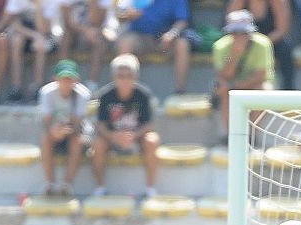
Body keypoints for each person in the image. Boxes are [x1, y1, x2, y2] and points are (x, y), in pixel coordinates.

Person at [92, 54, 160, 198]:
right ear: (114, 77)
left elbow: (149, 124)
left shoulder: (143, 94)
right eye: (120, 76)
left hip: (137, 137)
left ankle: (150, 188)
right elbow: (100, 125)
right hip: (112, 137)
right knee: (97, 144)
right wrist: (113, 136)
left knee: (152, 140)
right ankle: (100, 187)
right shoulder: (105, 95)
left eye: (129, 76)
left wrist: (134, 136)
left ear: (135, 77)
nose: (124, 80)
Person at [211, 10, 276, 134]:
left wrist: (235, 86)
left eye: (243, 32)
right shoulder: (220, 46)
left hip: (251, 85)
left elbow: (260, 76)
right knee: (223, 89)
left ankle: (252, 134)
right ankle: (230, 134)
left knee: (263, 89)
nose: (239, 36)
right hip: (230, 85)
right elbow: (224, 75)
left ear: (251, 32)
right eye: (235, 32)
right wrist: (235, 54)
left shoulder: (263, 44)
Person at [116, 0, 196, 95]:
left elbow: (182, 21)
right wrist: (128, 16)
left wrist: (172, 33)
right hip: (140, 36)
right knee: (125, 43)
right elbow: (119, 16)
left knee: (182, 44)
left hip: (165, 39)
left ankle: (180, 91)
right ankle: (125, 92)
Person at [39, 60, 92, 196]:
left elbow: (78, 123)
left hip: (75, 132)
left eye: (70, 79)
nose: (67, 83)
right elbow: (46, 121)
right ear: (56, 79)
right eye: (63, 79)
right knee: (45, 139)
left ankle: (67, 184)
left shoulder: (83, 94)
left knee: (77, 141)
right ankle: (50, 183)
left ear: (76, 80)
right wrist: (54, 131)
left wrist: (64, 131)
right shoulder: (46, 93)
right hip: (54, 131)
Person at [226, 0, 294, 89]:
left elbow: (281, 30)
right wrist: (244, 42)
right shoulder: (238, 2)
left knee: (285, 50)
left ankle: (288, 88)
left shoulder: (279, 2)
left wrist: (260, 44)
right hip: (242, 41)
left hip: (271, 41)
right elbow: (231, 26)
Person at [57, 0, 106, 91]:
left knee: (98, 41)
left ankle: (92, 84)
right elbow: (67, 22)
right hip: (73, 32)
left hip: (93, 32)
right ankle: (62, 78)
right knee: (65, 38)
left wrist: (93, 3)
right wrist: (85, 30)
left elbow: (97, 23)